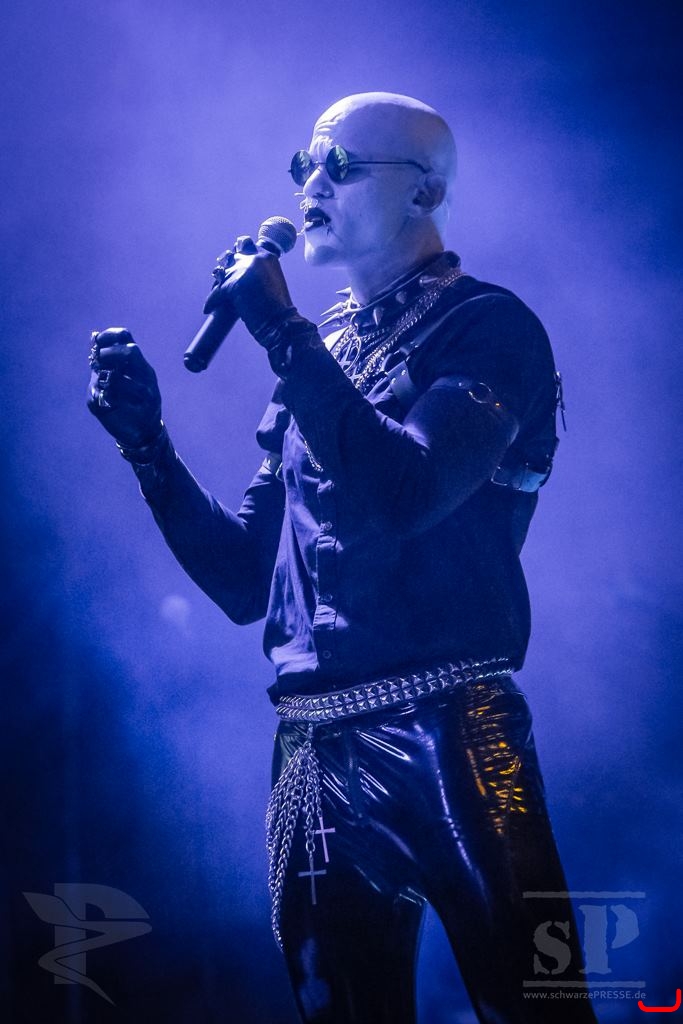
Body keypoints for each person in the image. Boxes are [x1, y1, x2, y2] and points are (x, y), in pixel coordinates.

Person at [87, 93, 597, 1023]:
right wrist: (149, 449)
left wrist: (282, 334)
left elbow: (407, 492)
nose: (310, 187)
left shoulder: (488, 327)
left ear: (424, 193)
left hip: (450, 732)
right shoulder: (325, 349)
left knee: (534, 1007)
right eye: (303, 167)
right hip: (314, 748)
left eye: (341, 167)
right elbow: (245, 581)